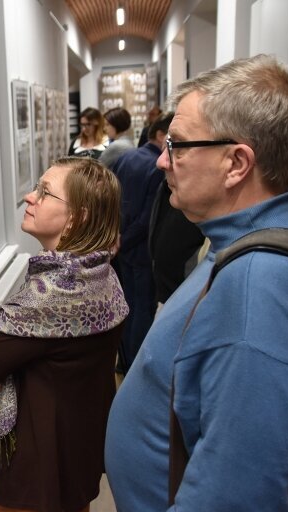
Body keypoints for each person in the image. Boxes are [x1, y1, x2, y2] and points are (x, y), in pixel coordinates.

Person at [104, 54, 288, 512]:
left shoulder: (261, 297)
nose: (161, 162)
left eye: (178, 146)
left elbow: (236, 506)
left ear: (236, 163)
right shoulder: (245, 253)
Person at [0, 157, 129, 512]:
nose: (29, 196)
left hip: (36, 466)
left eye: (44, 192)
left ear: (77, 217)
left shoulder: (49, 296)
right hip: (80, 450)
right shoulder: (102, 273)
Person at [110, 112, 174, 373]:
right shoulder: (155, 167)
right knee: (142, 309)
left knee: (127, 306)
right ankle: (136, 368)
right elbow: (149, 218)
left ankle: (123, 362)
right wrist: (125, 240)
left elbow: (112, 199)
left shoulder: (126, 157)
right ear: (160, 135)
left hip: (121, 246)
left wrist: (116, 238)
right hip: (140, 250)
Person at [147, 178, 205, 311]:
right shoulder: (167, 186)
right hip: (165, 292)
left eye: (179, 155)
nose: (161, 162)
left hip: (184, 298)